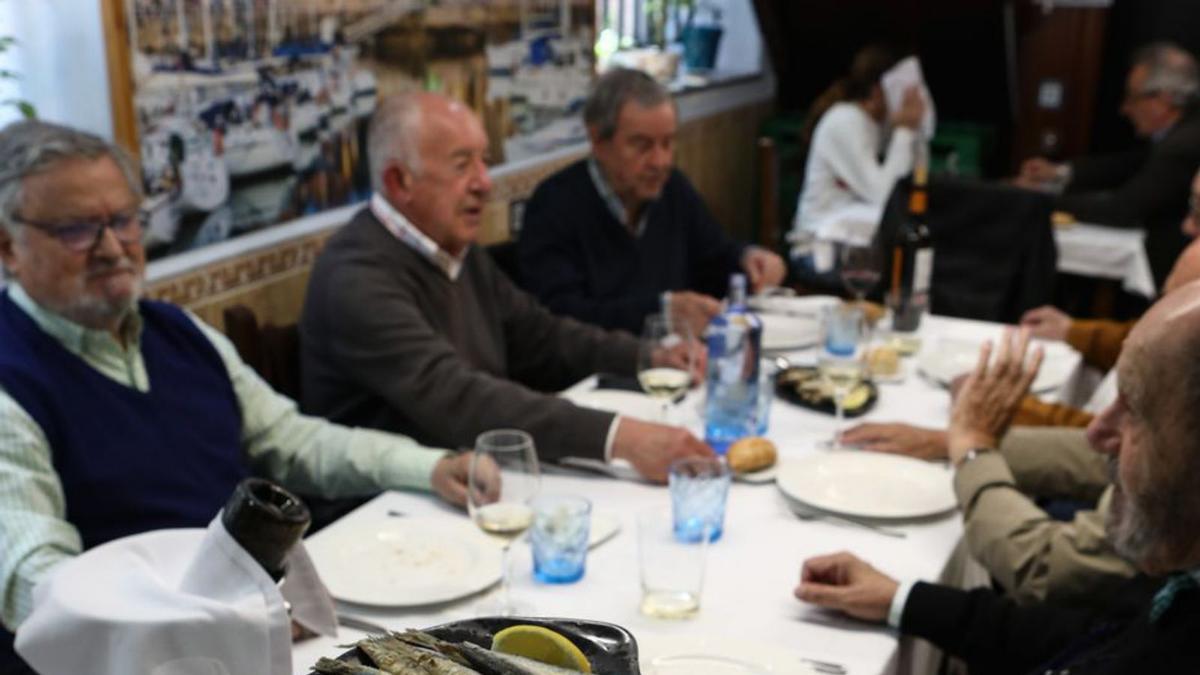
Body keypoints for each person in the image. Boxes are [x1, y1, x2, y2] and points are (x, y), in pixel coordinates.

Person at [0, 121, 474, 665]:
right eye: (76, 229)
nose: (112, 248)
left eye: (124, 220)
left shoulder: (178, 331)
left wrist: (429, 467)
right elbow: (40, 587)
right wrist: (216, 621)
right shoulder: (11, 380)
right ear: (8, 246)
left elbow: (292, 441)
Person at [300, 92, 713, 484]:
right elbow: (459, 399)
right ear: (399, 182)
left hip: (478, 479)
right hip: (382, 513)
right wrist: (621, 438)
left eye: (485, 161)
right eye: (462, 165)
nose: (485, 182)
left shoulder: (455, 250)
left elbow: (542, 337)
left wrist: (648, 355)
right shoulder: (355, 278)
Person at [796, 282, 1200, 673]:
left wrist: (973, 447)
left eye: (1133, 409)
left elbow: (1048, 569)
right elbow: (1090, 636)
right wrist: (904, 600)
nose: (1096, 433)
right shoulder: (1177, 591)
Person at [518, 68, 785, 337]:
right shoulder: (554, 207)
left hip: (676, 362)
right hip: (601, 371)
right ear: (598, 141)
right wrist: (661, 312)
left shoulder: (672, 189)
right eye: (642, 145)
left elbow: (714, 255)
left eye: (668, 143)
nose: (661, 162)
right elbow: (561, 320)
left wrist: (748, 259)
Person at [1017, 42, 1200, 286]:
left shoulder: (1183, 144)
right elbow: (1131, 163)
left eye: (1133, 98)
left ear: (1163, 99)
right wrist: (1060, 173)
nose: (1124, 108)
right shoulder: (1181, 134)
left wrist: (1040, 198)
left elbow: (1122, 209)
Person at [790, 45, 926, 241]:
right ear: (879, 90)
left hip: (852, 232)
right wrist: (905, 130)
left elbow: (912, 180)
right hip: (819, 238)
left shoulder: (877, 127)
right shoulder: (846, 121)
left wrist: (915, 133)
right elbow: (885, 195)